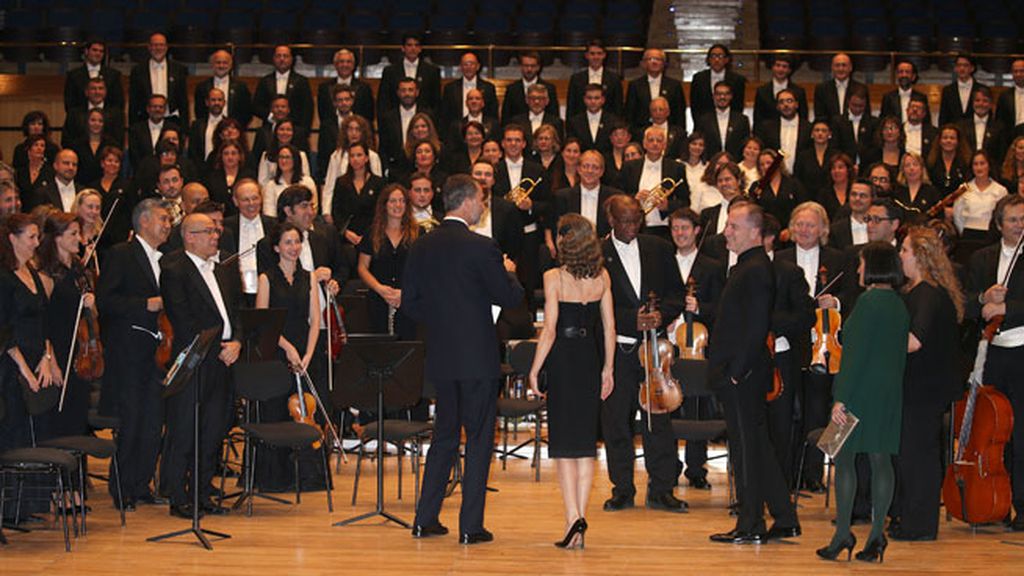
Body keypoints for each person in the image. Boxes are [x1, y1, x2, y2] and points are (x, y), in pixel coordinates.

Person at [404, 174, 524, 543]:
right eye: (481, 200)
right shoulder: (482, 247)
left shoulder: (421, 245)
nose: (483, 206)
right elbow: (510, 298)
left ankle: (425, 518)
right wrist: (510, 273)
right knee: (478, 438)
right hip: (477, 357)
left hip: (441, 354)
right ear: (468, 201)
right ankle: (470, 526)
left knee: (443, 436)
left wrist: (443, 322)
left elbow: (410, 303)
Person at [708, 200, 800, 544]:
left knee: (746, 450)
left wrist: (737, 371)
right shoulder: (747, 265)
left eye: (733, 226)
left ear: (754, 232)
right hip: (741, 372)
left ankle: (751, 523)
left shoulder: (756, 268)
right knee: (757, 445)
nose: (726, 232)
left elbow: (758, 325)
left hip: (743, 375)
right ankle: (785, 517)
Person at [526, 213, 615, 549]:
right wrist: (608, 369)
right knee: (585, 446)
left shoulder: (553, 277)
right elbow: (609, 328)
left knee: (564, 447)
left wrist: (534, 369)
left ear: (565, 242)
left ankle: (572, 517)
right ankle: (577, 520)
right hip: (590, 360)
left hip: (563, 360)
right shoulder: (602, 277)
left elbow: (549, 330)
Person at [818, 241, 909, 562]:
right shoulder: (898, 303)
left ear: (873, 266)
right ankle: (876, 537)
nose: (858, 269)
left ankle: (843, 533)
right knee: (881, 460)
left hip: (858, 392)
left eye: (861, 264)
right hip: (888, 393)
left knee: (842, 460)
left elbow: (853, 358)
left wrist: (840, 398)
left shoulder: (868, 302)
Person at [599, 194, 687, 513]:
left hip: (654, 350)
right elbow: (592, 304)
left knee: (658, 420)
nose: (632, 226)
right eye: (625, 221)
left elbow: (676, 294)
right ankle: (622, 489)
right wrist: (629, 319)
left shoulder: (659, 248)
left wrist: (662, 315)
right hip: (618, 350)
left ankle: (662, 489)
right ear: (611, 220)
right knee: (617, 421)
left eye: (637, 220)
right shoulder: (598, 253)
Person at [159, 212, 242, 518]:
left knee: (213, 429)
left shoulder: (223, 270)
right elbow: (182, 319)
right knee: (185, 428)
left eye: (216, 230)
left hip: (225, 358)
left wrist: (237, 342)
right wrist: (216, 346)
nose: (215, 235)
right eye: (208, 231)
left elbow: (236, 313)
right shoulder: (174, 270)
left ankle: (202, 493)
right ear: (189, 236)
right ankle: (178, 496)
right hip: (196, 359)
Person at [890, 226, 963, 541]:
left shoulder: (927, 294)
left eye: (904, 250)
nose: (900, 255)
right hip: (924, 386)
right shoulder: (924, 291)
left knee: (917, 454)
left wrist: (878, 344)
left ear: (919, 256)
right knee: (915, 453)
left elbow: (914, 341)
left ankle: (918, 524)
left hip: (923, 388)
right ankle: (911, 517)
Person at [251, 221, 324, 492]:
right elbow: (263, 321)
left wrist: (308, 353)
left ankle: (307, 477)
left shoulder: (310, 277)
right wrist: (288, 348)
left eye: (297, 242)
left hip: (304, 353)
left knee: (307, 413)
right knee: (277, 413)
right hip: (276, 352)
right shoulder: (266, 278)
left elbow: (315, 321)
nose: (294, 247)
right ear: (276, 247)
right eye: (288, 242)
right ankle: (276, 478)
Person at [966, 194, 1024, 531]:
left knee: (1022, 433)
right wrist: (983, 299)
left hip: (1022, 351)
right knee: (992, 432)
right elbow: (966, 303)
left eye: (1023, 219)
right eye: (1013, 220)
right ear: (999, 224)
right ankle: (995, 503)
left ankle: (1023, 506)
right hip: (991, 354)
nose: (1020, 225)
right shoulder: (981, 258)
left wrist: (1007, 308)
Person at [666, 208, 726, 488]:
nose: (680, 233)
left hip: (696, 345)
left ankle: (696, 468)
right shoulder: (663, 261)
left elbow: (721, 308)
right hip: (668, 345)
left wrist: (699, 307)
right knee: (667, 406)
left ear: (697, 231)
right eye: (675, 228)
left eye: (685, 228)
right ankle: (668, 466)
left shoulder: (712, 267)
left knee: (696, 407)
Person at [36, 212, 96, 439]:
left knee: (79, 413)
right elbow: (42, 323)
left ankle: (77, 461)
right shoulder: (47, 274)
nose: (79, 238)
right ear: (57, 238)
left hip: (81, 351)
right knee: (61, 417)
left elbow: (92, 315)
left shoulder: (80, 269)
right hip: (59, 350)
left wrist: (92, 302)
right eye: (73, 234)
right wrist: (50, 360)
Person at [356, 184, 418, 339]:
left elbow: (424, 269)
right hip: (378, 299)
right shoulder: (372, 233)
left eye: (402, 201)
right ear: (384, 205)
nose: (398, 205)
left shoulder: (418, 233)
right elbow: (362, 267)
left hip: (408, 299)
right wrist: (379, 288)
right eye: (393, 201)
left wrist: (406, 292)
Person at [620, 126, 688, 239]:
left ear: (665, 145)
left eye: (659, 140)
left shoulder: (676, 168)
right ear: (644, 143)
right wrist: (634, 199)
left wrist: (668, 205)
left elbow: (685, 201)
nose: (655, 144)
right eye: (651, 140)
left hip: (664, 227)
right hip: (635, 225)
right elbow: (619, 194)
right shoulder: (629, 167)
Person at [321, 114, 384, 221]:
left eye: (357, 129)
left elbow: (377, 185)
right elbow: (329, 186)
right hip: (344, 207)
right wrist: (326, 211)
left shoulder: (373, 156)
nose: (354, 133)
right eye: (350, 129)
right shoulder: (336, 156)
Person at [223, 178, 272, 304]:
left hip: (268, 291)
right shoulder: (225, 227)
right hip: (236, 293)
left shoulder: (274, 225)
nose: (251, 203)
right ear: (235, 201)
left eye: (255, 198)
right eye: (245, 199)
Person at [331, 143, 388, 245]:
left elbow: (382, 211)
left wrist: (369, 235)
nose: (355, 159)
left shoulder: (378, 183)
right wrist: (346, 233)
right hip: (347, 237)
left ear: (366, 158)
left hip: (372, 235)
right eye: (352, 156)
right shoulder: (341, 182)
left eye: (359, 155)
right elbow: (336, 212)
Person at [377, 33, 440, 123]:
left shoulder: (432, 71)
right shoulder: (390, 71)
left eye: (416, 45)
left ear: (420, 49)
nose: (413, 48)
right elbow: (384, 100)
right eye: (409, 45)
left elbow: (436, 102)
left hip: (424, 122)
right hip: (396, 121)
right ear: (403, 48)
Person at [128, 32, 188, 125]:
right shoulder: (138, 71)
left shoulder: (179, 70)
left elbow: (183, 101)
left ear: (166, 47)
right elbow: (133, 102)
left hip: (171, 120)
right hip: (145, 121)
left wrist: (185, 127)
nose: (158, 48)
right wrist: (132, 126)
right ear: (149, 47)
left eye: (161, 45)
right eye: (155, 45)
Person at [251, 44, 313, 131]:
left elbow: (307, 109)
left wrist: (303, 132)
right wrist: (271, 117)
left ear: (292, 59)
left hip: (294, 130)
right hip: (269, 129)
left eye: (285, 56)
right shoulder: (265, 81)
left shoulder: (301, 82)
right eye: (278, 56)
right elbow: (256, 106)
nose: (282, 59)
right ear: (273, 59)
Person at [625, 48, 687, 132]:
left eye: (658, 59)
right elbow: (629, 114)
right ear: (644, 63)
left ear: (664, 63)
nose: (654, 62)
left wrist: (680, 134)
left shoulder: (674, 86)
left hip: (668, 133)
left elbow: (679, 114)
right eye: (650, 59)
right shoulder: (635, 85)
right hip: (641, 133)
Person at [953, 150, 1008, 240]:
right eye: (975, 164)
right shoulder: (963, 189)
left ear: (989, 166)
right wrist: (963, 233)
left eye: (982, 163)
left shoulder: (1000, 190)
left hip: (991, 236)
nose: (979, 167)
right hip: (968, 236)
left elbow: (1002, 216)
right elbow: (957, 215)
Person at [440, 52, 498, 132]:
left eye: (472, 64)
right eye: (465, 64)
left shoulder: (488, 88)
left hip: (483, 133)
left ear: (478, 66)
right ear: (460, 67)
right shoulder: (450, 88)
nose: (468, 67)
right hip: (457, 133)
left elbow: (493, 115)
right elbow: (445, 116)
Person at [567, 39, 624, 120]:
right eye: (592, 54)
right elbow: (571, 107)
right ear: (586, 55)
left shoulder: (614, 79)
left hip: (608, 124)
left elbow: (618, 108)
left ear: (604, 55)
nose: (596, 57)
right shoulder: (576, 79)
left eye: (599, 53)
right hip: (581, 124)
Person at [694, 81, 750, 161]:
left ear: (731, 96)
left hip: (735, 164)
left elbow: (746, 145)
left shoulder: (742, 120)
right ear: (713, 96)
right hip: (710, 163)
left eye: (726, 94)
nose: (722, 97)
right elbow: (698, 143)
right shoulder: (703, 120)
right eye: (718, 94)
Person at [193, 50, 252, 126]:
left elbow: (247, 112)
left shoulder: (241, 87)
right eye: (218, 62)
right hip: (209, 127)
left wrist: (236, 128)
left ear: (230, 65)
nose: (221, 66)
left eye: (225, 63)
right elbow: (199, 112)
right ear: (212, 65)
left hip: (233, 129)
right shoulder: (202, 87)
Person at [64, 39, 124, 114]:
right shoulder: (73, 75)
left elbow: (118, 103)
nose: (98, 53)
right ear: (86, 51)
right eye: (94, 50)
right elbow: (70, 104)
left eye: (101, 51)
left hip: (108, 119)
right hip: (80, 118)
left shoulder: (113, 75)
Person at [690, 44, 747, 121]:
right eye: (713, 56)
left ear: (727, 59)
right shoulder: (699, 79)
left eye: (720, 56)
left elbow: (738, 106)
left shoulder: (737, 80)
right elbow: (695, 106)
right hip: (704, 123)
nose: (716, 60)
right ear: (708, 59)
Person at [501, 51, 559, 124]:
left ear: (538, 67)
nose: (529, 69)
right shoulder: (512, 89)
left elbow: (554, 116)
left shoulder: (549, 89)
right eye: (526, 66)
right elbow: (506, 118)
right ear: (521, 67)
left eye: (533, 66)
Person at [262, 144, 316, 219]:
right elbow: (269, 213)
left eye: (287, 157)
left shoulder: (307, 182)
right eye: (281, 157)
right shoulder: (271, 185)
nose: (283, 161)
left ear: (295, 160)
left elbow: (313, 208)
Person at [753, 54, 808, 128]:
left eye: (784, 66)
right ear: (772, 67)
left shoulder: (799, 92)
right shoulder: (762, 91)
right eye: (778, 65)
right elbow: (757, 118)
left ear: (789, 70)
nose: (780, 69)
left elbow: (803, 117)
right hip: (768, 132)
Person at [814, 53, 869, 123]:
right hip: (829, 128)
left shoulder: (861, 88)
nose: (841, 69)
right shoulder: (821, 89)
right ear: (832, 68)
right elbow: (820, 116)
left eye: (844, 65)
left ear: (850, 68)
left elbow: (866, 116)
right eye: (837, 65)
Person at [68, 108, 118, 186]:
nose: (96, 124)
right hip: (81, 185)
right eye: (93, 120)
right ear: (87, 122)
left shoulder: (112, 144)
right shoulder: (76, 145)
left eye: (100, 121)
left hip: (105, 186)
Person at [566, 83, 620, 154]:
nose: (593, 101)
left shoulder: (613, 121)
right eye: (589, 98)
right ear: (584, 99)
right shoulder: (574, 122)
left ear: (603, 100)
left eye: (596, 98)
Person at [204, 140, 256, 212]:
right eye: (226, 154)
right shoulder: (212, 177)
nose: (230, 157)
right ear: (221, 156)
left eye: (233, 153)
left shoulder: (249, 176)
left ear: (239, 156)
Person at [794, 120, 838, 199]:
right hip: (807, 197)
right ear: (812, 134)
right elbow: (797, 180)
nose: (820, 133)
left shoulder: (836, 155)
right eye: (817, 130)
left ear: (830, 134)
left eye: (824, 131)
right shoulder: (803, 156)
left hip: (831, 198)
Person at [939, 53, 984, 127]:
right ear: (955, 68)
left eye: (965, 65)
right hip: (954, 131)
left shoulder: (981, 89)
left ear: (972, 68)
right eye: (959, 65)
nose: (962, 68)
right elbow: (943, 117)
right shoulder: (947, 90)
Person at [31, 149, 83, 213]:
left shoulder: (83, 192)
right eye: (66, 163)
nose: (71, 167)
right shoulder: (42, 193)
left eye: (74, 164)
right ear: (55, 166)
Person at [927, 124, 972, 197]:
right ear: (939, 141)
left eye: (952, 138)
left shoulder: (965, 162)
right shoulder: (931, 162)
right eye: (945, 138)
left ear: (958, 141)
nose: (948, 141)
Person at [880, 60, 930, 125]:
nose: (904, 75)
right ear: (897, 75)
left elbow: (926, 121)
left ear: (913, 76)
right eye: (901, 72)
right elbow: (883, 121)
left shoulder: (921, 97)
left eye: (907, 72)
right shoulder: (888, 97)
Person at [894, 152, 941, 216]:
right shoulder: (896, 191)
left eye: (915, 165)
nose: (911, 168)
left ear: (922, 169)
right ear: (903, 170)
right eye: (907, 165)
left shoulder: (932, 192)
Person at [15, 134, 54, 198]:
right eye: (36, 145)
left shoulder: (50, 171)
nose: (39, 148)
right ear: (29, 150)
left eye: (42, 146)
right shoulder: (20, 172)